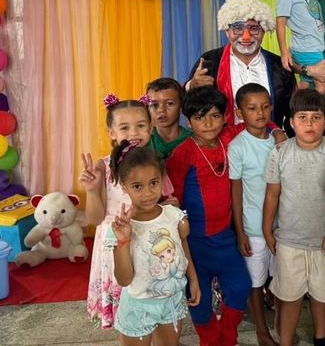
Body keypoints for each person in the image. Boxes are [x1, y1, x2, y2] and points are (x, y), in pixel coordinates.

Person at [166, 86, 253, 346]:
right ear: (188, 120)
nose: (208, 123)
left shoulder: (228, 138)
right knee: (198, 297)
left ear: (225, 117)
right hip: (194, 243)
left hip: (225, 239)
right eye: (200, 117)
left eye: (215, 116)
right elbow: (174, 199)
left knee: (240, 287)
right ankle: (209, 339)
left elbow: (258, 124)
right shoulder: (183, 154)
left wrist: (278, 131)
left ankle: (227, 334)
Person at [263, 89, 325, 346]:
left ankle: (321, 338)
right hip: (289, 240)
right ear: (291, 122)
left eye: (316, 117)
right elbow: (272, 194)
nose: (309, 124)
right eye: (302, 117)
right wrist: (267, 230)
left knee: (322, 295)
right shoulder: (280, 152)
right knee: (289, 296)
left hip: (324, 241)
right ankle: (286, 341)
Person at [109, 143, 200, 346]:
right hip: (138, 307)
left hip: (172, 302)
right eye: (137, 186)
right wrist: (123, 241)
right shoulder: (122, 228)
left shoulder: (174, 215)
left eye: (154, 183)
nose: (148, 193)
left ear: (162, 179)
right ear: (124, 186)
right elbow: (124, 279)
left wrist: (193, 280)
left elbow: (183, 250)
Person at [81, 96, 157, 329]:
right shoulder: (103, 167)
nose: (133, 133)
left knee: (149, 301)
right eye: (124, 127)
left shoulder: (155, 162)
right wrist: (92, 191)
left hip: (147, 240)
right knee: (126, 307)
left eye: (141, 125)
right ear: (111, 133)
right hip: (114, 243)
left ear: (151, 128)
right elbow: (94, 218)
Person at [186, 0, 296, 129]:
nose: (246, 37)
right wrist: (193, 85)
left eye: (254, 28)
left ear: (263, 31)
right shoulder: (210, 60)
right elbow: (189, 105)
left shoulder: (279, 66)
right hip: (223, 140)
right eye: (238, 28)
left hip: (270, 138)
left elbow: (292, 111)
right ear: (227, 31)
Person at [228, 83, 278, 346]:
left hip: (281, 227)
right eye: (252, 108)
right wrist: (240, 232)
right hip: (253, 228)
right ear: (239, 113)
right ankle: (261, 329)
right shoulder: (238, 147)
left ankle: (281, 325)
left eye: (265, 106)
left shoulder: (280, 141)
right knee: (256, 282)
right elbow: (236, 192)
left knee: (280, 280)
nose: (260, 113)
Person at [146, 77, 191, 159]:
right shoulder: (144, 142)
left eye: (170, 104)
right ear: (148, 109)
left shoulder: (193, 141)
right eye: (154, 105)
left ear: (181, 107)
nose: (161, 110)